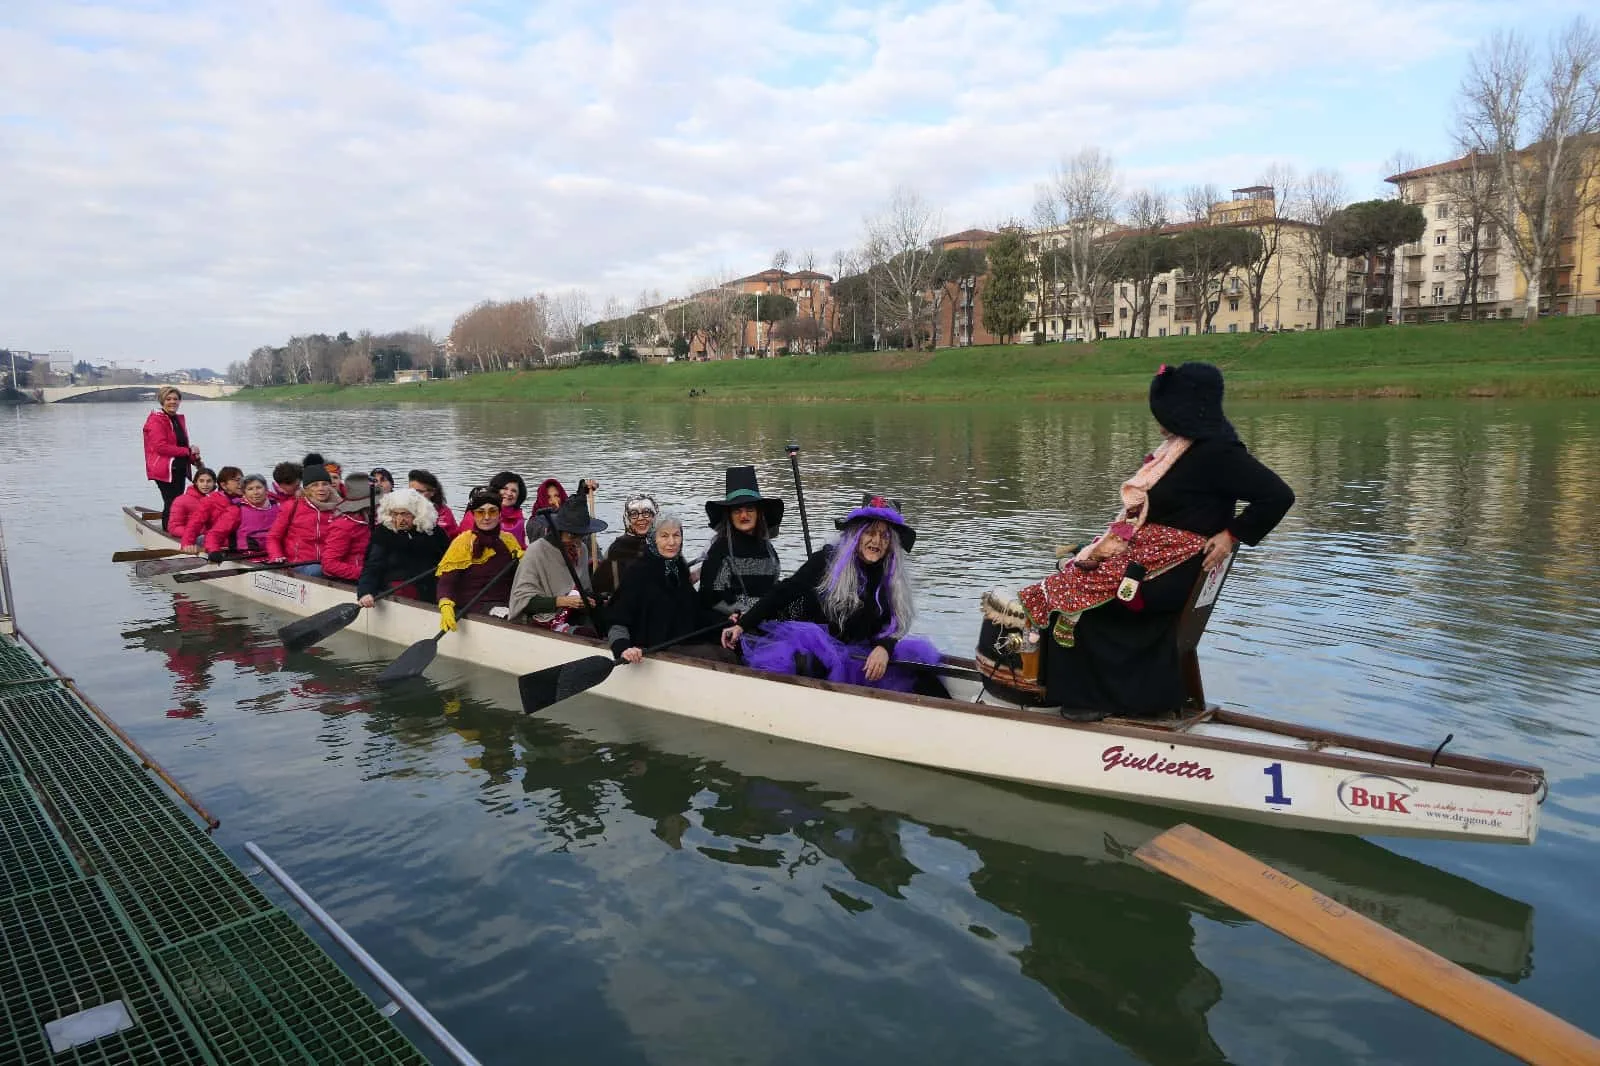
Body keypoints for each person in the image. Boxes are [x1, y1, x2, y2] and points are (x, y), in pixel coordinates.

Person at [1017, 362, 1295, 721]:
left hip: (1169, 572)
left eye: (1164, 412)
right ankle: (1078, 690)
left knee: (1069, 596)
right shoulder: (1182, 448)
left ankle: (1095, 699)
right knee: (1067, 577)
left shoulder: (1218, 453)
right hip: (1154, 560)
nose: (1159, 421)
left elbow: (1278, 496)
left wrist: (1231, 535)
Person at [723, 495, 944, 694]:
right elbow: (784, 591)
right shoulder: (826, 561)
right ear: (855, 535)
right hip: (819, 648)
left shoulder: (891, 577)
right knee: (812, 664)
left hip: (862, 656)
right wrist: (744, 623)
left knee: (921, 672)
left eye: (885, 537)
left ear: (890, 546)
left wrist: (884, 648)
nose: (876, 541)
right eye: (869, 532)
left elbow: (896, 623)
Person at [607, 513, 732, 663]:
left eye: (676, 535)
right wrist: (623, 648)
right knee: (723, 657)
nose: (672, 542)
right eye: (664, 536)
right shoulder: (637, 572)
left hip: (681, 640)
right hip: (650, 648)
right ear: (653, 539)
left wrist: (726, 620)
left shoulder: (678, 568)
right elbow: (618, 619)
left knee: (732, 646)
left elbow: (694, 610)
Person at [508, 491, 605, 632]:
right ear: (559, 531)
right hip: (543, 618)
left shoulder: (581, 549)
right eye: (571, 536)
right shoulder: (537, 551)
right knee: (585, 634)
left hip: (574, 614)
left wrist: (587, 599)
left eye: (581, 536)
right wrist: (562, 601)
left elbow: (582, 588)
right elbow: (523, 601)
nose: (577, 542)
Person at [698, 466, 784, 619]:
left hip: (766, 617)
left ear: (758, 513)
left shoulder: (767, 547)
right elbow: (712, 597)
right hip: (733, 623)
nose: (744, 515)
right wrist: (742, 614)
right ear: (729, 516)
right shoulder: (719, 549)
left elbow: (771, 585)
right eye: (737, 510)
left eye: (750, 509)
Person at [435, 486, 524, 630]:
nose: (487, 517)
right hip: (473, 608)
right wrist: (445, 604)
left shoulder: (509, 541)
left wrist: (523, 561)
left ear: (499, 514)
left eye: (492, 511)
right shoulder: (463, 542)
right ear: (473, 515)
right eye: (480, 512)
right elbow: (447, 582)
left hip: (508, 605)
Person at [357, 487, 448, 606]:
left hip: (431, 588)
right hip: (396, 591)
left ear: (417, 513)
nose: (400, 520)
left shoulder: (434, 532)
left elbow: (447, 561)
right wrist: (366, 592)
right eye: (395, 514)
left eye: (405, 514)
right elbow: (372, 566)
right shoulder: (383, 533)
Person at [265, 463, 342, 575]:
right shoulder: (291, 506)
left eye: (325, 484)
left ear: (330, 487)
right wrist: (276, 556)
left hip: (330, 562)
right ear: (307, 489)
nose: (321, 488)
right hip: (300, 563)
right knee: (317, 571)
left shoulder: (341, 508)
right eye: (315, 485)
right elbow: (273, 537)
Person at [143, 386, 201, 530]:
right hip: (164, 469)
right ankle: (169, 531)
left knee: (178, 501)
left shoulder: (177, 419)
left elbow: (180, 444)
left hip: (179, 467)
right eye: (168, 399)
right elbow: (160, 447)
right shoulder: (156, 421)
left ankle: (176, 527)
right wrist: (187, 451)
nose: (172, 402)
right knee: (172, 501)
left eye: (175, 399)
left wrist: (192, 455)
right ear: (162, 401)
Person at [594, 492, 656, 596]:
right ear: (627, 519)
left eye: (646, 513)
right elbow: (600, 589)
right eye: (634, 514)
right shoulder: (617, 550)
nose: (641, 518)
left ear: (654, 515)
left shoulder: (663, 545)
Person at [206, 474, 278, 557]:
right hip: (246, 557)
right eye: (250, 489)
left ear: (266, 490)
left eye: (259, 488)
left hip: (275, 554)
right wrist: (213, 550)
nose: (255, 492)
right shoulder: (236, 511)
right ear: (244, 493)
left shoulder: (277, 506)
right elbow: (215, 534)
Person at [320, 474, 376, 582]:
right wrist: (364, 573)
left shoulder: (374, 521)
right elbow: (329, 564)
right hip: (352, 580)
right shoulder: (343, 526)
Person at [179, 466, 242, 553]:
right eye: (236, 480)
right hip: (217, 542)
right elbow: (194, 524)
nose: (241, 483)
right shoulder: (209, 501)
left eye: (242, 479)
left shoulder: (249, 498)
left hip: (243, 543)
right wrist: (187, 544)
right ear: (224, 485)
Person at [167, 467, 215, 547]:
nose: (205, 484)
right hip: (194, 538)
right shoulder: (181, 500)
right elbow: (173, 528)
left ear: (214, 483)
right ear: (196, 482)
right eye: (201, 481)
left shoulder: (215, 500)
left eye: (209, 481)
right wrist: (197, 532)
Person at [407, 469, 457, 538]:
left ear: (432, 492)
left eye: (419, 492)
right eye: (410, 491)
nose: (413, 495)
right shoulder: (402, 510)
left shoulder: (443, 512)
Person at [489, 471, 529, 547]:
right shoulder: (480, 512)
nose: (509, 493)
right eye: (505, 488)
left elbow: (522, 546)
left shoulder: (520, 520)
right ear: (496, 489)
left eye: (513, 491)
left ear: (519, 496)